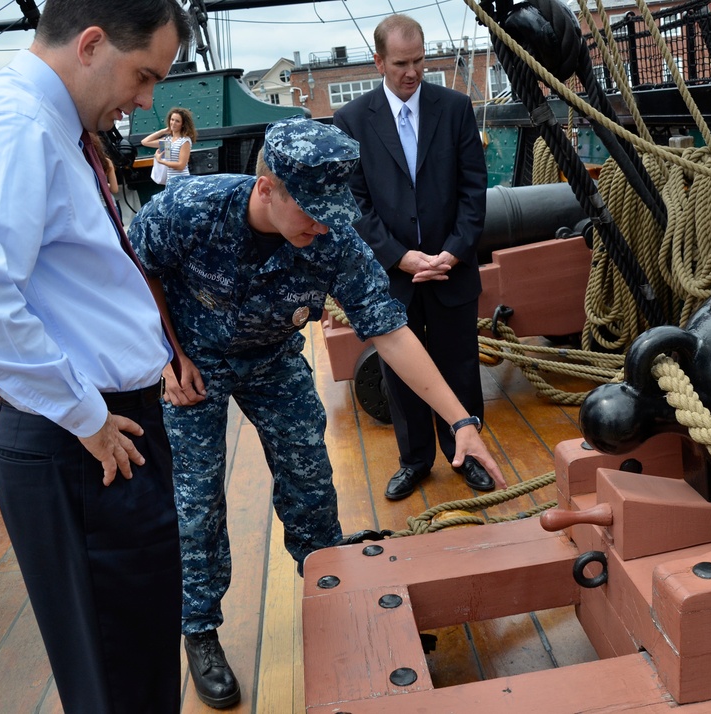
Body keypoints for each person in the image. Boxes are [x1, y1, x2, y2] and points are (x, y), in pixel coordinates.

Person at [127, 115, 506, 710]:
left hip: (273, 357)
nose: (322, 222)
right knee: (197, 499)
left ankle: (329, 589)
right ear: (266, 188)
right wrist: (165, 356)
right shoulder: (191, 208)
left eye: (331, 208)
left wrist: (462, 422)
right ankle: (199, 629)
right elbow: (134, 268)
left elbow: (390, 330)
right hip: (193, 359)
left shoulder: (332, 237)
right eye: (309, 207)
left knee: (311, 482)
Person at [0, 2, 191, 713]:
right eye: (144, 74)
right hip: (84, 444)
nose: (148, 100)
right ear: (91, 44)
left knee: (134, 662)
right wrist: (83, 412)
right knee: (118, 679)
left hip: (98, 432)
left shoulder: (47, 125)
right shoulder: (20, 125)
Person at [334, 14, 492, 501]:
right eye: (401, 63)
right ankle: (415, 460)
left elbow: (473, 190)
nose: (412, 72)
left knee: (460, 362)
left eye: (420, 61)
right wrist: (400, 257)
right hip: (393, 274)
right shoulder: (352, 121)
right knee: (399, 373)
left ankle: (465, 453)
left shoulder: (456, 108)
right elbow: (354, 203)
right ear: (379, 61)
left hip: (450, 268)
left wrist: (454, 251)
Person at [141, 105, 196, 181]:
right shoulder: (168, 140)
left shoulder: (185, 141)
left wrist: (160, 161)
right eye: (172, 120)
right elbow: (144, 142)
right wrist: (162, 131)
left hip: (182, 180)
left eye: (177, 121)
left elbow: (181, 165)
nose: (173, 123)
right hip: (170, 180)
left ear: (183, 124)